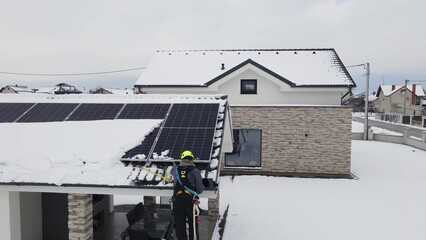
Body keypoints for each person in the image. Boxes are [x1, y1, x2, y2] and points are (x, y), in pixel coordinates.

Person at [172, 150, 204, 240]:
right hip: (191, 202)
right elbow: (200, 189)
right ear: (191, 159)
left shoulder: (176, 170)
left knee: (179, 225)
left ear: (182, 159)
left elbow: (175, 185)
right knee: (193, 224)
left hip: (178, 201)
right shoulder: (195, 171)